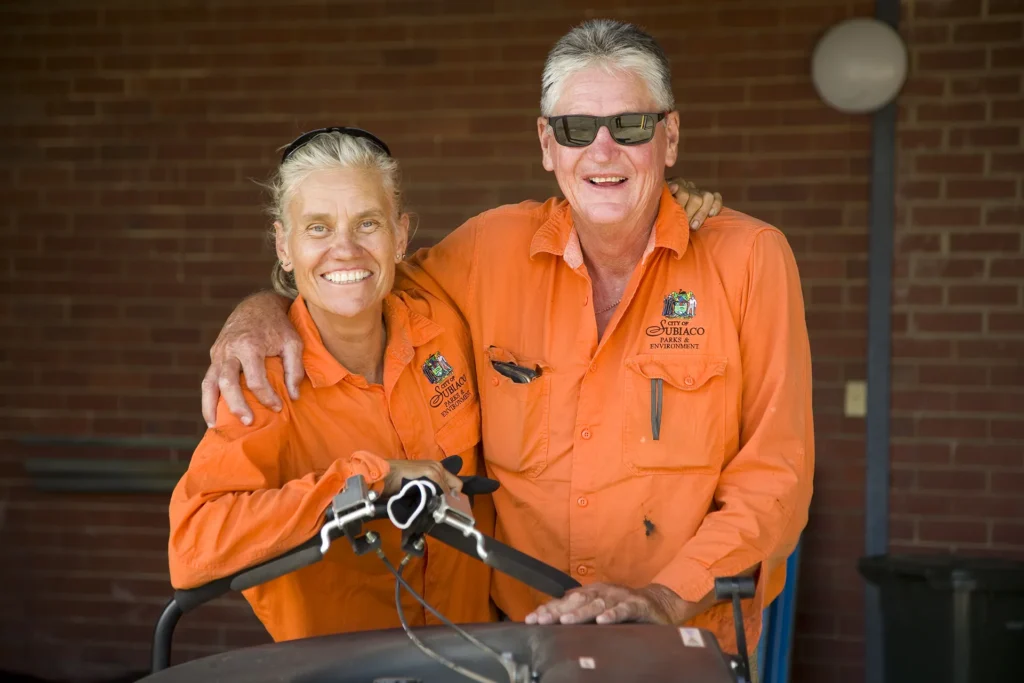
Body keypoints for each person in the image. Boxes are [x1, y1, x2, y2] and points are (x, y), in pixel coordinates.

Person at [202, 18, 813, 670]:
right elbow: (352, 276)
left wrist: (666, 595)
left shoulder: (749, 260)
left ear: (670, 136)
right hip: (518, 649)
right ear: (548, 145)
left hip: (683, 643)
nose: (603, 150)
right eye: (579, 129)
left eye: (630, 126)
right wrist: (258, 310)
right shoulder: (489, 253)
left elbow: (775, 479)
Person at [168, 129, 496, 642]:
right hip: (346, 669)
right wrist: (368, 479)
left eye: (367, 223)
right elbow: (193, 546)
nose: (344, 249)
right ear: (284, 246)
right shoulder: (264, 379)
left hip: (480, 657)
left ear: (401, 235)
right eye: (317, 228)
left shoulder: (446, 319)